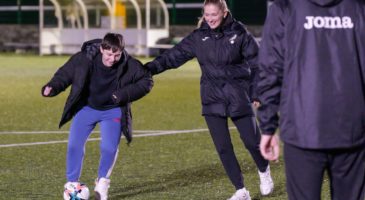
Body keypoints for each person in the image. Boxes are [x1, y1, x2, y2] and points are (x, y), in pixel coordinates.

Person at [144, 0, 273, 199]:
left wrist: (256, 92)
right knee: (223, 147)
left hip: (238, 95)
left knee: (251, 141)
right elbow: (173, 56)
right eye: (207, 15)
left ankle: (264, 171)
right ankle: (241, 190)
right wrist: (148, 69)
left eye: (214, 14)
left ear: (224, 12)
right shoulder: (198, 37)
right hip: (212, 98)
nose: (210, 19)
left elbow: (257, 64)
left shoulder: (239, 32)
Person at [257, 0, 365, 200]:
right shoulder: (358, 7)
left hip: (302, 129)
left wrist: (268, 127)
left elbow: (270, 69)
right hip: (352, 130)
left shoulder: (285, 7)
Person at [41, 33, 153, 200]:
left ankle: (102, 182)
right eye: (109, 54)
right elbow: (65, 74)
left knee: (109, 148)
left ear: (122, 51)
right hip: (86, 108)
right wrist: (52, 87)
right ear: (101, 49)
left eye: (117, 55)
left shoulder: (130, 64)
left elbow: (147, 81)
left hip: (113, 110)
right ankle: (72, 184)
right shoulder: (84, 59)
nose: (112, 59)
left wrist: (123, 94)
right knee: (74, 146)